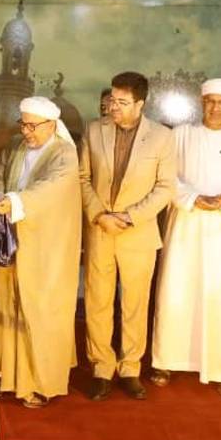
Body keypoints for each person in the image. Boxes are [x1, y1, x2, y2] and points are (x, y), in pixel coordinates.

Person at [150, 78, 221, 397]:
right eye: (210, 101)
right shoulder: (180, 135)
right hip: (185, 225)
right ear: (202, 103)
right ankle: (166, 360)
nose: (215, 108)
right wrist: (192, 198)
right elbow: (165, 177)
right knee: (176, 291)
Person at [79, 72, 175, 401]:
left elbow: (165, 187)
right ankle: (101, 368)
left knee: (135, 303)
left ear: (140, 104)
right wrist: (100, 215)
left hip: (138, 232)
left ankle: (131, 368)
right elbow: (82, 178)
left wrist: (129, 217)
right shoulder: (94, 130)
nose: (113, 107)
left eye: (122, 102)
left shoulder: (162, 137)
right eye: (111, 101)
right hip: (99, 229)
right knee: (97, 302)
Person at [0, 96, 83, 408]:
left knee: (42, 309)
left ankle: (43, 382)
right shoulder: (16, 146)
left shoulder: (65, 154)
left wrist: (15, 202)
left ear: (52, 125)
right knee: (7, 304)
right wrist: (0, 196)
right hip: (12, 238)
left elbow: (52, 188)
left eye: (32, 126)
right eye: (23, 124)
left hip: (47, 245)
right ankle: (6, 374)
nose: (26, 131)